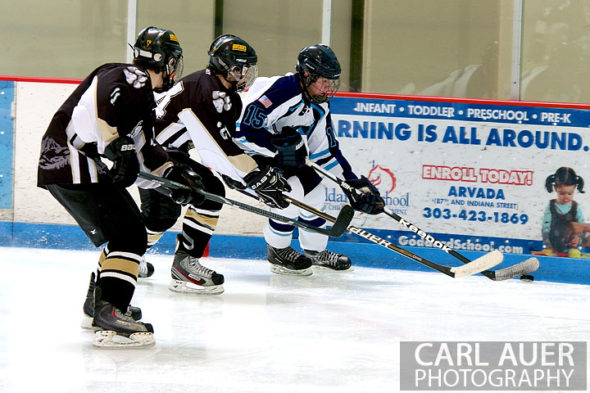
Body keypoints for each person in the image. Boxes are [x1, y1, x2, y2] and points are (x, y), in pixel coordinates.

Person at [37, 26, 200, 347]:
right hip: (72, 162)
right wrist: (115, 144)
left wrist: (173, 178)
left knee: (128, 232)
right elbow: (100, 107)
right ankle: (111, 313)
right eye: (173, 62)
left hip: (73, 165)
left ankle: (97, 306)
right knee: (130, 234)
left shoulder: (143, 103)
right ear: (163, 61)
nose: (174, 70)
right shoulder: (130, 76)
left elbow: (144, 153)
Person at [139, 34, 290, 294]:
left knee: (160, 216)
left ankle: (128, 256)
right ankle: (185, 264)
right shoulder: (204, 91)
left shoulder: (224, 95)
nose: (246, 75)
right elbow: (217, 150)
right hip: (153, 154)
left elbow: (221, 144)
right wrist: (255, 176)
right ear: (227, 66)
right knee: (210, 194)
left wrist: (245, 174)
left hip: (160, 152)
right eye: (242, 68)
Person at [232, 43, 385, 275]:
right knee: (289, 194)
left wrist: (352, 184)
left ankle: (314, 252)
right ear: (306, 74)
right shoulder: (284, 90)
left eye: (331, 81)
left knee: (315, 193)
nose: (327, 87)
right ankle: (278, 250)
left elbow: (325, 152)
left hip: (274, 159)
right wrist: (276, 147)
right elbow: (241, 130)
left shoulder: (319, 106)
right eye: (323, 80)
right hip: (240, 158)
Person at [541, 167, 586, 254]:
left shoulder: (575, 207)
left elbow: (581, 227)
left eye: (570, 193)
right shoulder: (551, 206)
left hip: (571, 249)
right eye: (561, 193)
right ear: (555, 188)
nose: (566, 197)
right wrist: (548, 245)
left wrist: (578, 239)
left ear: (574, 188)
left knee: (574, 256)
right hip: (552, 247)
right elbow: (545, 227)